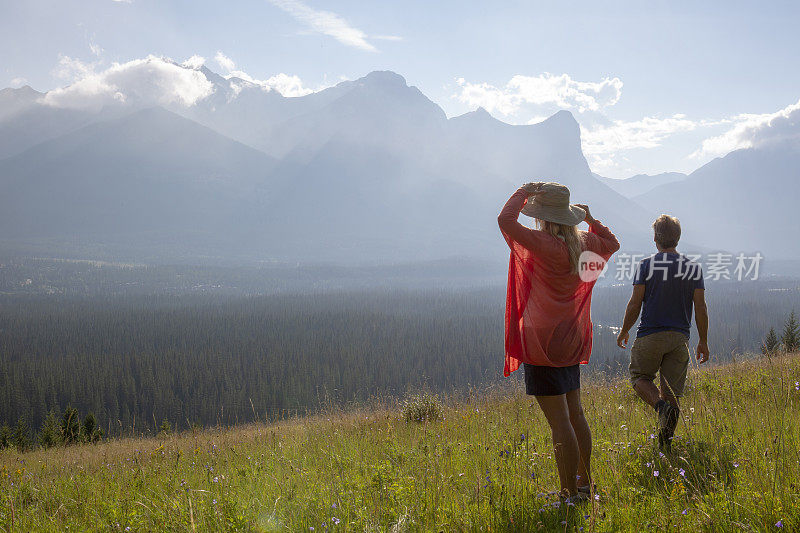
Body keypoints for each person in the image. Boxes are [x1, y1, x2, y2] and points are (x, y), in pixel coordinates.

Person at [498, 181, 619, 500]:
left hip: (542, 342)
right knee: (575, 413)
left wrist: (523, 190)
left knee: (560, 421)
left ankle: (568, 493)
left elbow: (506, 221)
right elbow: (613, 243)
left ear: (544, 217)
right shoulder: (584, 244)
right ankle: (583, 484)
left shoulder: (543, 244)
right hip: (572, 337)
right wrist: (592, 219)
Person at [616, 214, 710, 451]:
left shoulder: (647, 265)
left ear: (655, 238)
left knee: (639, 378)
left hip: (650, 334)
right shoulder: (693, 268)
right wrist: (703, 341)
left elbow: (635, 303)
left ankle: (660, 408)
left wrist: (624, 330)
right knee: (672, 393)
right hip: (680, 338)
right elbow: (700, 307)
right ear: (677, 238)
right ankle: (665, 445)